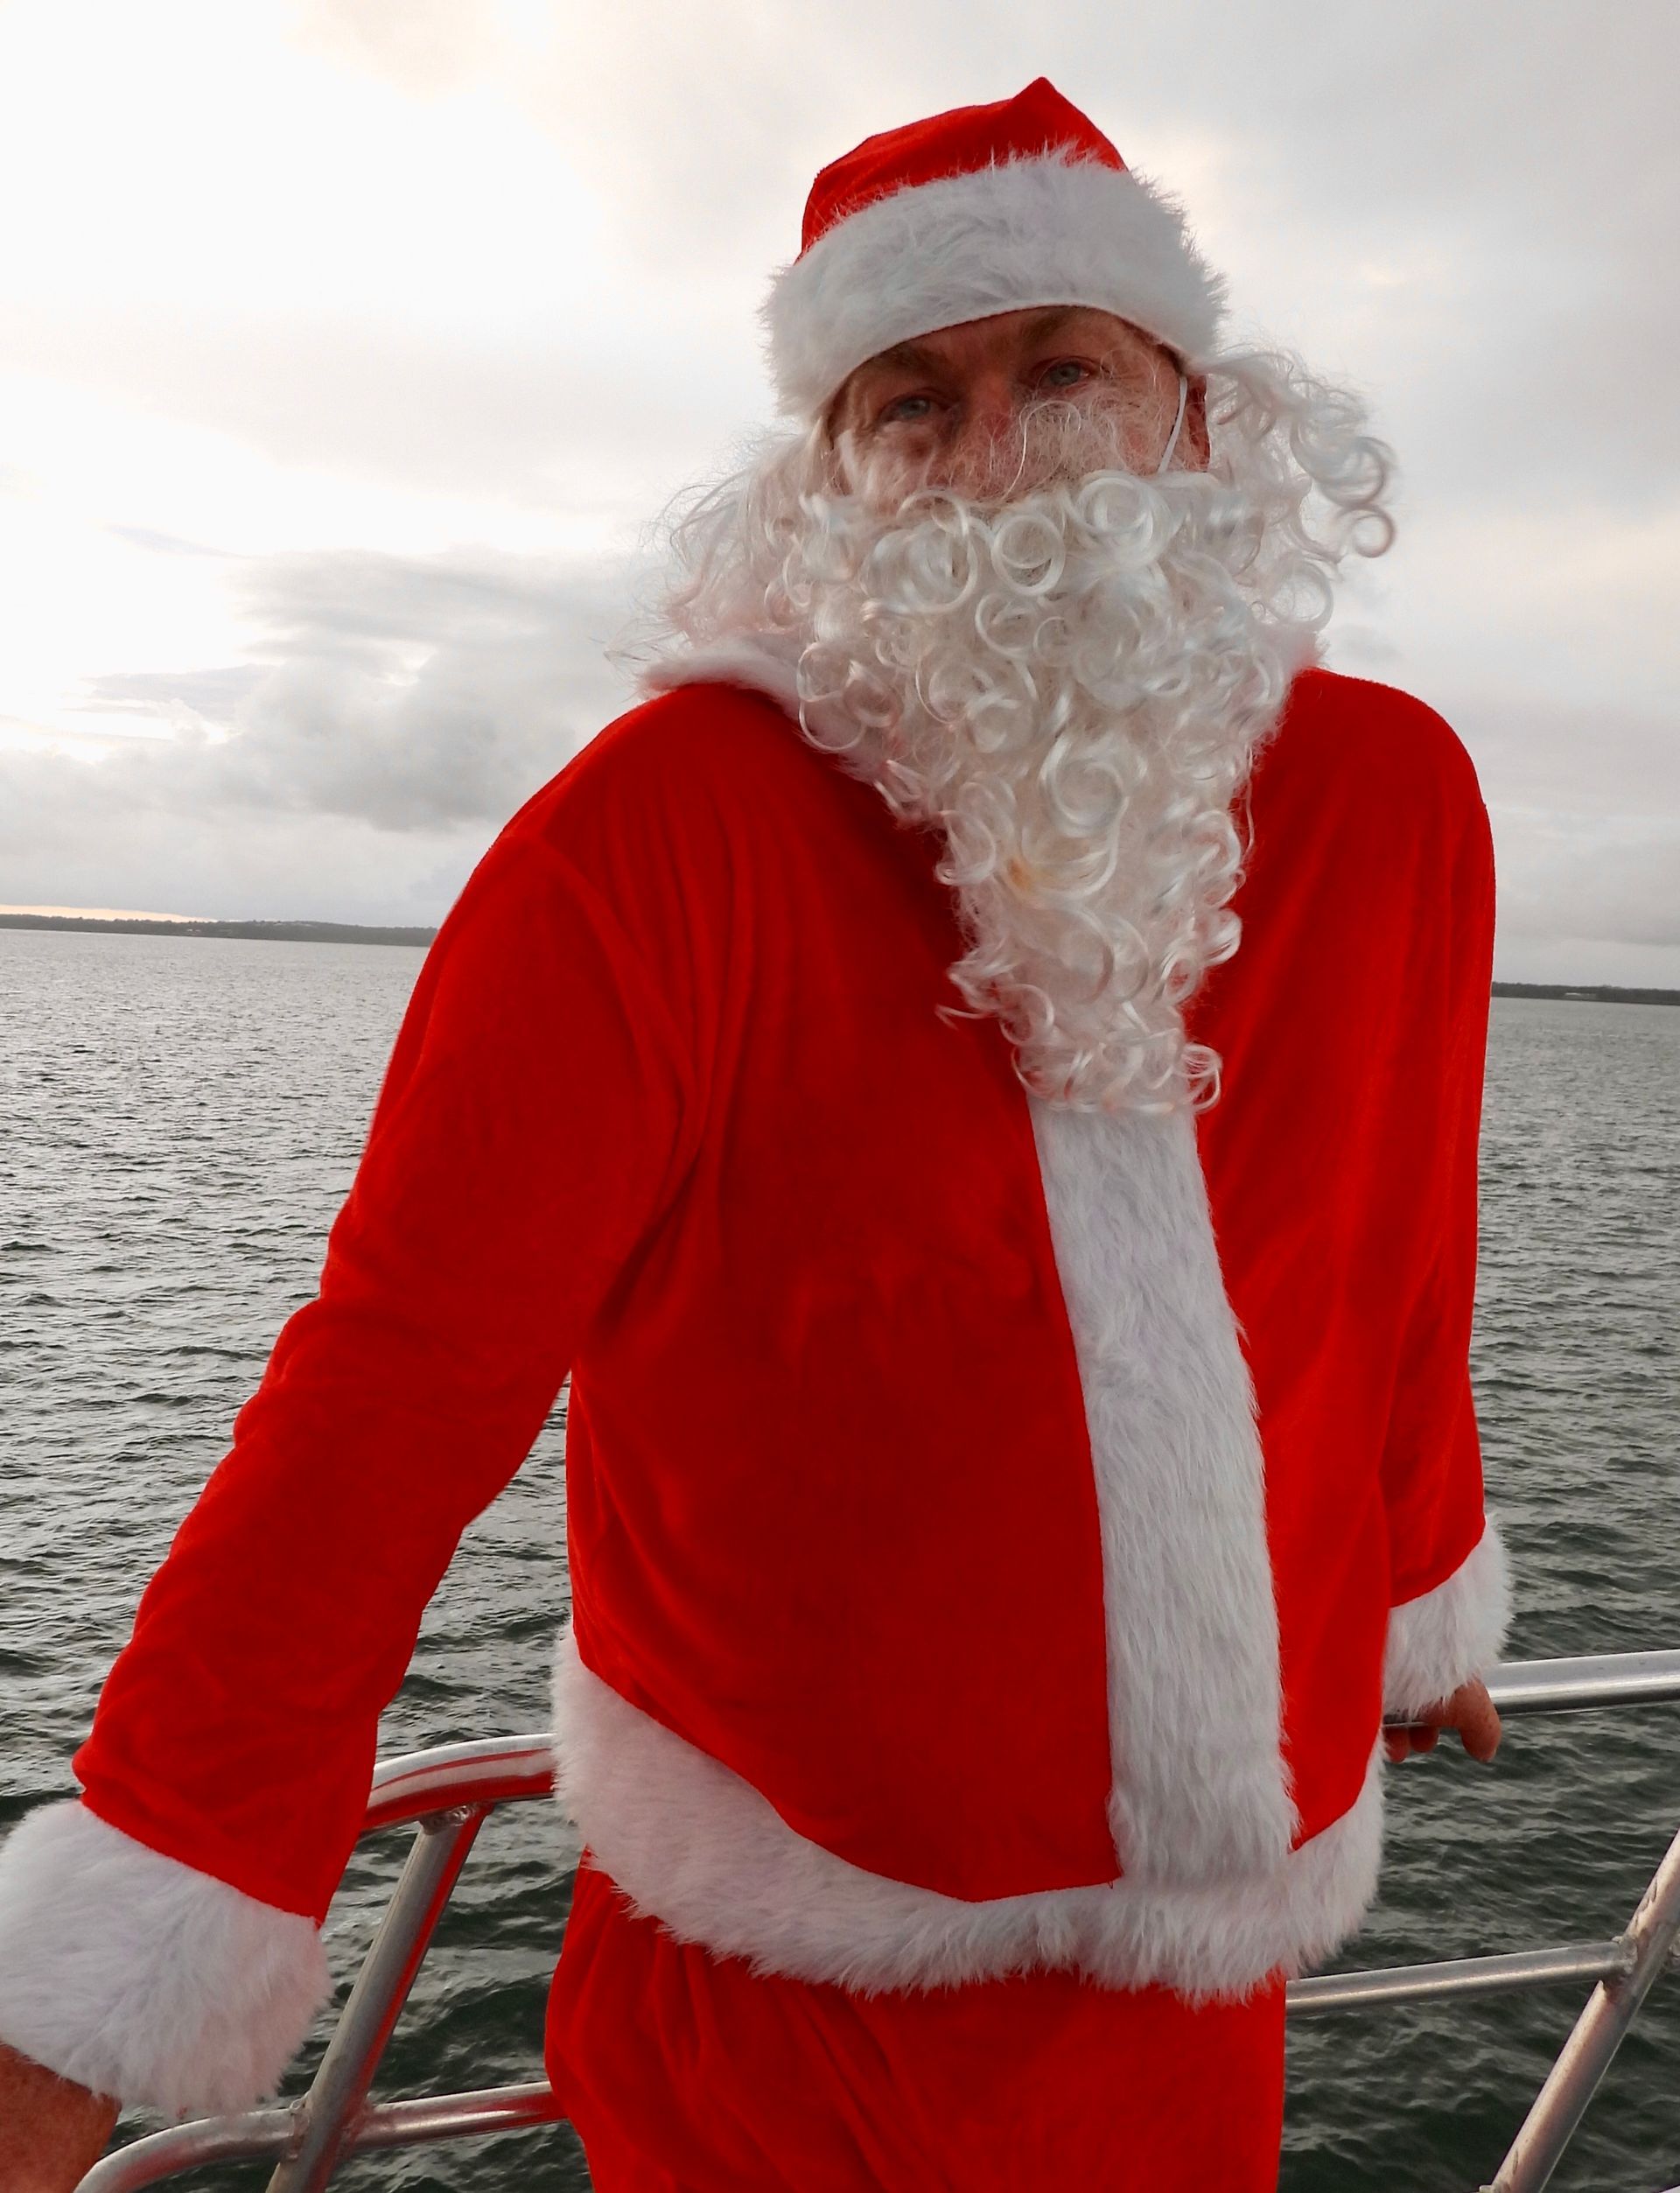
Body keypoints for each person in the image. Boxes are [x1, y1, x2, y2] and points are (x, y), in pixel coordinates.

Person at [0, 78, 1511, 2192]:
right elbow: (393, 1382)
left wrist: (1416, 1599)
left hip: (1199, 2025)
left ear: (1197, 410)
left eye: (1058, 368)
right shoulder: (656, 837)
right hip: (781, 2032)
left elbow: (1398, 1245)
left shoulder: (1395, 797)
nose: (992, 456)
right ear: (828, 477)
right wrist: (81, 1992)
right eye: (908, 405)